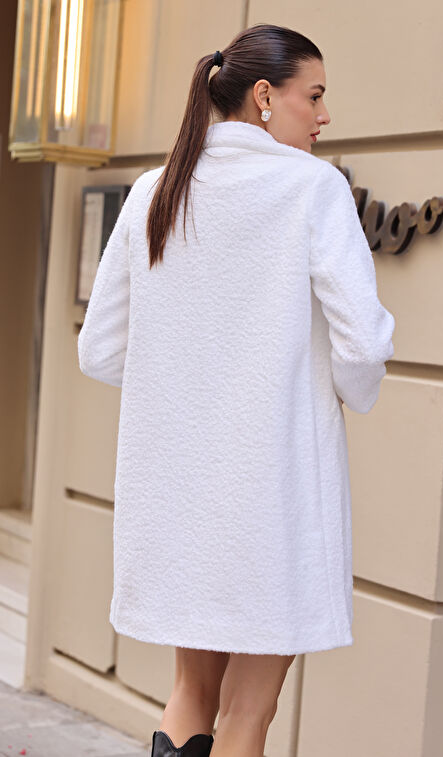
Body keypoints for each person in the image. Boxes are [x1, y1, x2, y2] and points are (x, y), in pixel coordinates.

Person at [77, 22, 395, 757]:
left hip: (180, 497)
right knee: (249, 714)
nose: (323, 115)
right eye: (314, 95)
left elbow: (100, 350)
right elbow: (362, 343)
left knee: (190, 693)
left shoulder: (155, 190)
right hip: (274, 496)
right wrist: (340, 391)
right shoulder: (312, 188)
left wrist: (183, 384)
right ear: (263, 95)